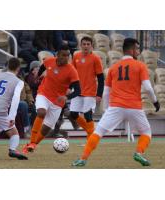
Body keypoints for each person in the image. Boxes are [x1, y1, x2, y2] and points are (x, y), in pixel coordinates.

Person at [72, 38, 160, 167]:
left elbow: (106, 92)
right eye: (137, 49)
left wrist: (107, 109)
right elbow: (147, 87)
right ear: (131, 50)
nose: (138, 51)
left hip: (116, 106)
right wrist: (155, 101)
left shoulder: (113, 67)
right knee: (146, 132)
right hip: (134, 106)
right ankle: (139, 153)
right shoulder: (140, 65)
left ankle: (83, 159)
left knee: (98, 132)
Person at [22, 45, 81, 153]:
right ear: (57, 55)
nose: (66, 58)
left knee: (46, 128)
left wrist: (66, 96)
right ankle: (31, 142)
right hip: (43, 94)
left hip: (58, 102)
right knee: (41, 112)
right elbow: (43, 67)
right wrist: (38, 76)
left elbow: (78, 91)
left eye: (68, 55)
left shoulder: (72, 70)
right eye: (63, 55)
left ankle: (33, 144)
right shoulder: (49, 61)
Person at [70, 36, 104, 140]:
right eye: (84, 44)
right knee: (73, 114)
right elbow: (72, 74)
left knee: (88, 115)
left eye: (88, 44)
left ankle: (90, 139)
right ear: (80, 45)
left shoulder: (96, 59)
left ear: (91, 46)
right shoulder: (76, 56)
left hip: (90, 92)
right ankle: (92, 132)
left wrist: (99, 94)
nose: (86, 46)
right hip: (77, 91)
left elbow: (101, 78)